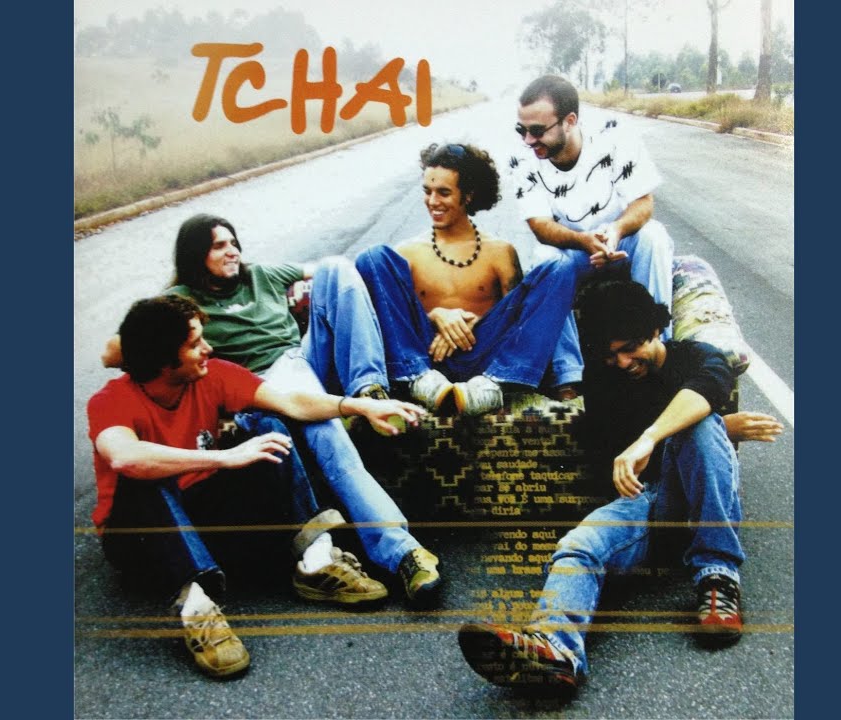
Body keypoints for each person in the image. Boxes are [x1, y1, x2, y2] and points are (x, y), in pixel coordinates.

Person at [101, 214, 444, 608]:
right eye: (218, 246)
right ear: (195, 255)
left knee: (336, 267)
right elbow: (113, 353)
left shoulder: (262, 275)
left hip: (297, 363)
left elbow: (335, 279)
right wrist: (165, 329)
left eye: (233, 242)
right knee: (325, 432)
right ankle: (399, 552)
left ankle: (368, 386)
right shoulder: (182, 300)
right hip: (251, 387)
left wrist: (431, 308)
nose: (232, 251)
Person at [458, 279, 776, 691]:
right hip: (644, 499)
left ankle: (718, 577)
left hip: (697, 496)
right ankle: (556, 649)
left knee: (700, 425)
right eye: (611, 354)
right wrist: (711, 430)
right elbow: (620, 442)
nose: (623, 362)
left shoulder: (697, 356)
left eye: (631, 347)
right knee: (578, 545)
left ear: (655, 330)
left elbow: (705, 391)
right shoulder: (603, 377)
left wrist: (653, 437)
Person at [88, 295, 428, 677]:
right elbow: (124, 457)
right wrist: (224, 458)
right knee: (142, 478)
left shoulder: (212, 375)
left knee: (270, 429)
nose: (208, 348)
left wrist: (358, 406)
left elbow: (290, 402)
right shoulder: (111, 401)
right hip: (141, 542)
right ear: (164, 361)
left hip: (201, 515)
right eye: (195, 344)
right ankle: (198, 609)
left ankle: (315, 561)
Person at [355, 142, 583, 416]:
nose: (432, 201)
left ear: (469, 195)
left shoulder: (499, 251)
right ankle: (416, 378)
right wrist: (436, 316)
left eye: (444, 193)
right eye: (427, 191)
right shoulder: (407, 252)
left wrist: (474, 321)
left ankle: (499, 383)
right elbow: (400, 320)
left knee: (560, 266)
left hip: (485, 362)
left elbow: (518, 321)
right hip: (428, 360)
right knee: (372, 257)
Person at [510, 73, 677, 338]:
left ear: (569, 121)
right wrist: (583, 241)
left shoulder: (615, 135)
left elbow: (643, 202)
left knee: (653, 237)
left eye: (538, 131)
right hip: (574, 251)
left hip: (620, 244)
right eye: (522, 130)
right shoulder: (522, 159)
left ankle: (658, 343)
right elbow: (540, 225)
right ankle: (566, 363)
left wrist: (617, 230)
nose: (528, 140)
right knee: (545, 259)